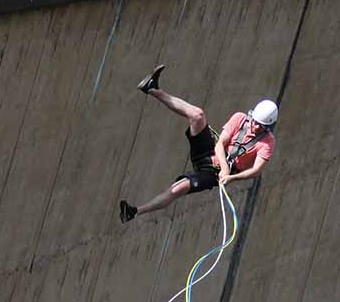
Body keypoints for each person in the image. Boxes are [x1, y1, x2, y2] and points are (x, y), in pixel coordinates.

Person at [119, 64, 278, 223]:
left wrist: (230, 177)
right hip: (210, 152)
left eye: (261, 126)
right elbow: (220, 144)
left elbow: (256, 170)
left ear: (268, 127)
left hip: (212, 175)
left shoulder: (268, 142)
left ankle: (134, 211)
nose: (256, 127)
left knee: (179, 188)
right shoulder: (240, 119)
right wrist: (224, 167)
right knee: (197, 115)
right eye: (255, 122)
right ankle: (152, 89)